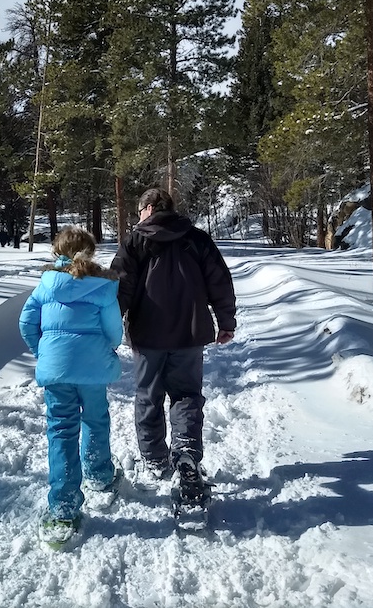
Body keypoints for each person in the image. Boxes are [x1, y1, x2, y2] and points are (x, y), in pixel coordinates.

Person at [110, 187, 236, 508]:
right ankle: (186, 454)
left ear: (150, 208)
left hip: (147, 335)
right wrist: (226, 321)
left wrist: (107, 330)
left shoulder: (135, 242)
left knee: (148, 397)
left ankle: (155, 460)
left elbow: (119, 288)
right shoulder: (196, 239)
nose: (139, 217)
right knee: (186, 395)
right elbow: (219, 281)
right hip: (188, 334)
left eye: (140, 211)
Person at [18, 226, 123, 547]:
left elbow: (26, 323)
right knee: (95, 420)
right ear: (90, 252)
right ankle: (100, 476)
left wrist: (44, 352)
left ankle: (63, 507)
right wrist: (104, 350)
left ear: (56, 251)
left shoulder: (45, 285)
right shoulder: (103, 287)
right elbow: (115, 332)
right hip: (92, 368)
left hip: (57, 370)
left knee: (61, 430)